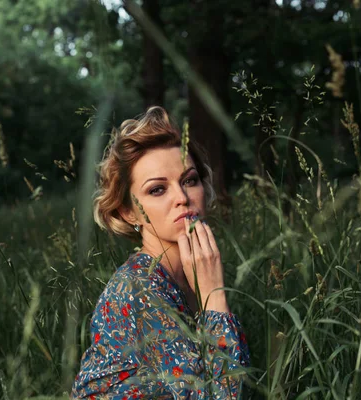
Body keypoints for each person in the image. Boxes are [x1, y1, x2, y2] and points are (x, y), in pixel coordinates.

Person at [71, 106, 250, 399]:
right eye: (157, 190)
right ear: (128, 212)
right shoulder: (138, 288)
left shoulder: (194, 273)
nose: (182, 198)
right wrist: (215, 297)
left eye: (189, 180)